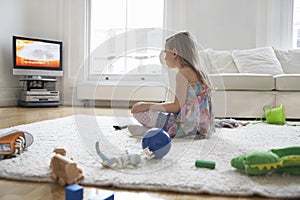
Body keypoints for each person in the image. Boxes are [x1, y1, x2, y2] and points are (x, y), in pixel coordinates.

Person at [129, 31, 215, 139]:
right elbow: (184, 104)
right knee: (157, 111)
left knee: (139, 113)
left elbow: (176, 107)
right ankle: (153, 129)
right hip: (201, 126)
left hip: (186, 127)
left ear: (174, 53)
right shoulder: (199, 72)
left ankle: (152, 131)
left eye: (166, 52)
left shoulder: (183, 73)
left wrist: (148, 105)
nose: (164, 57)